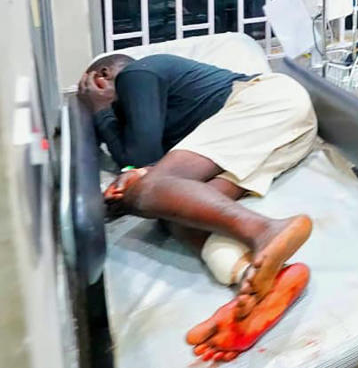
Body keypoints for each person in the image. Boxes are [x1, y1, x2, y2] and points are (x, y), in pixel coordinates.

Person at [78, 53, 317, 361]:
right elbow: (152, 168)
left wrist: (100, 111)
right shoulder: (178, 115)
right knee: (174, 209)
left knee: (147, 190)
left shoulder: (137, 73)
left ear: (102, 77)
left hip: (270, 103)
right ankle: (255, 280)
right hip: (285, 132)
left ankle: (266, 230)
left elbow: (139, 157)